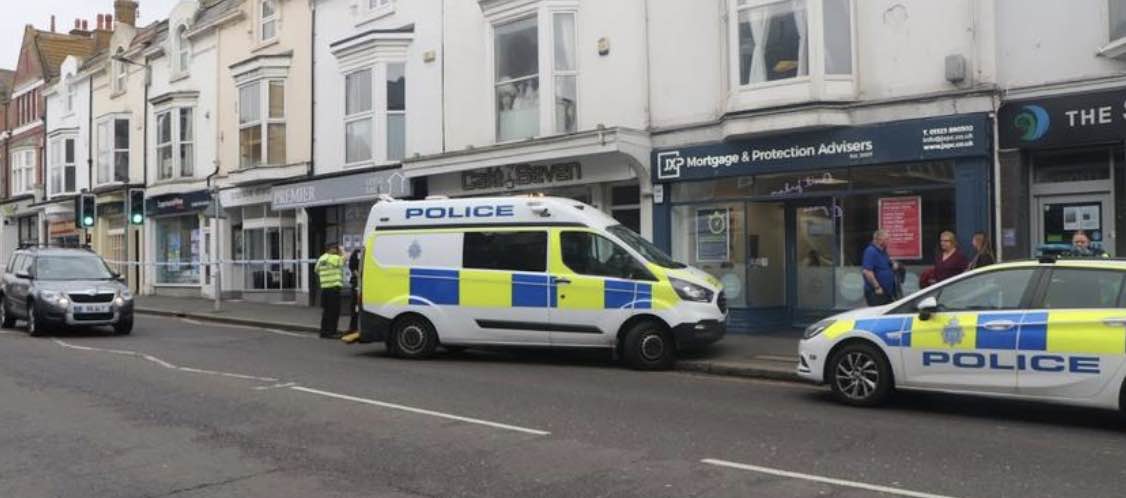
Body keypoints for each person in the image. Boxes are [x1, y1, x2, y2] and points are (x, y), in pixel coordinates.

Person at [862, 230, 899, 306]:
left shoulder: (883, 251)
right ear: (879, 240)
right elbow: (867, 271)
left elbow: (887, 264)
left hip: (887, 292)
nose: (888, 241)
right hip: (877, 292)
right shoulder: (871, 251)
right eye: (886, 239)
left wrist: (894, 264)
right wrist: (877, 287)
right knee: (877, 314)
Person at [315, 242, 344, 339]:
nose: (336, 250)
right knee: (334, 312)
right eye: (335, 248)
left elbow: (316, 270)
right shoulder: (334, 258)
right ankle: (332, 332)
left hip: (325, 289)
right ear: (330, 249)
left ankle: (324, 332)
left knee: (326, 312)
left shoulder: (321, 259)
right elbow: (344, 259)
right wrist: (342, 251)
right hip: (333, 289)